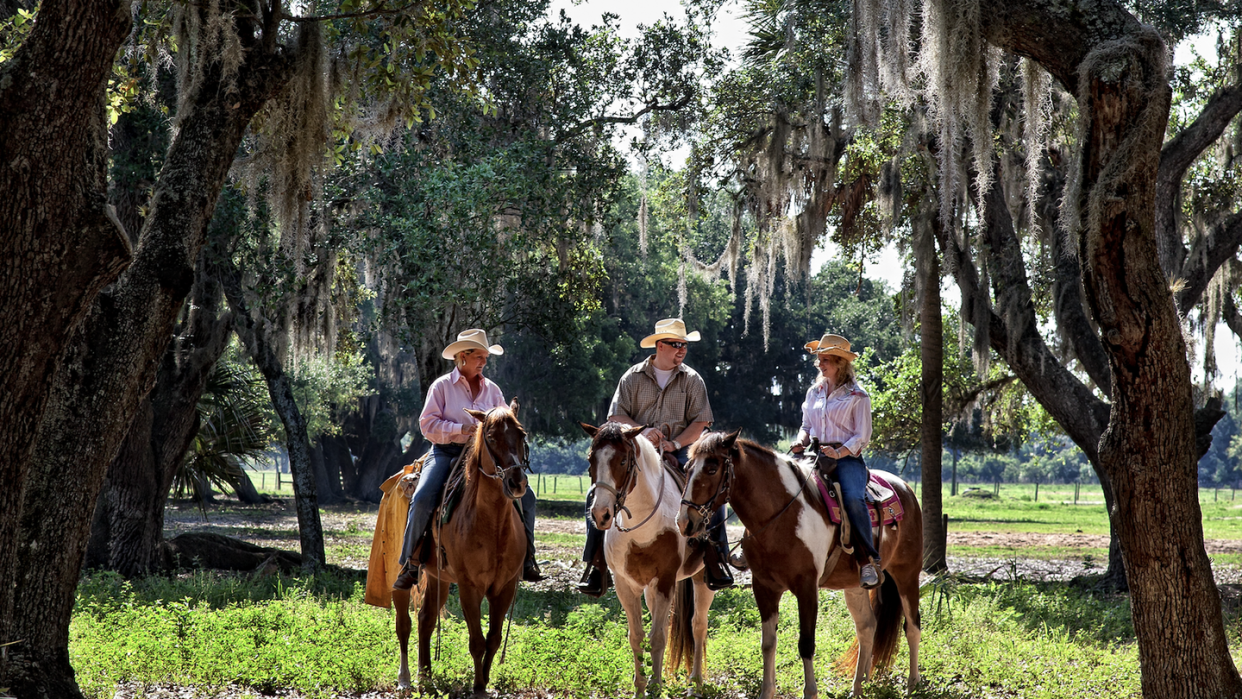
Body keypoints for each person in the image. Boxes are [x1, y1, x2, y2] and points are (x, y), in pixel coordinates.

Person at [577, 318, 734, 596]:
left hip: (679, 452)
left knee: (709, 492)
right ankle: (596, 565)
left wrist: (674, 443)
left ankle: (716, 559)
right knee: (596, 496)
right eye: (675, 345)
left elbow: (701, 423)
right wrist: (643, 432)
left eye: (684, 345)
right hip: (636, 455)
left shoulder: (693, 380)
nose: (681, 350)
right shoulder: (632, 377)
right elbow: (615, 416)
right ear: (659, 346)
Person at [393, 329, 542, 590]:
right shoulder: (441, 386)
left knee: (526, 497)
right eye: (479, 356)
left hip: (484, 458)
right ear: (462, 357)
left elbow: (505, 423)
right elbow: (427, 425)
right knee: (424, 497)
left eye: (485, 357)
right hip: (446, 452)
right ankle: (412, 562)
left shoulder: (493, 390)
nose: (483, 361)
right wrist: (461, 430)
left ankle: (527, 559)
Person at [792, 333, 881, 589]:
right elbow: (806, 425)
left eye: (826, 360)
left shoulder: (858, 396)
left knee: (853, 498)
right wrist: (801, 441)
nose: (821, 365)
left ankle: (867, 560)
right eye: (819, 360)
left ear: (841, 363)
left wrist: (839, 452)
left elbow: (862, 436)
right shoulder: (814, 391)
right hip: (815, 455)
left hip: (847, 460)